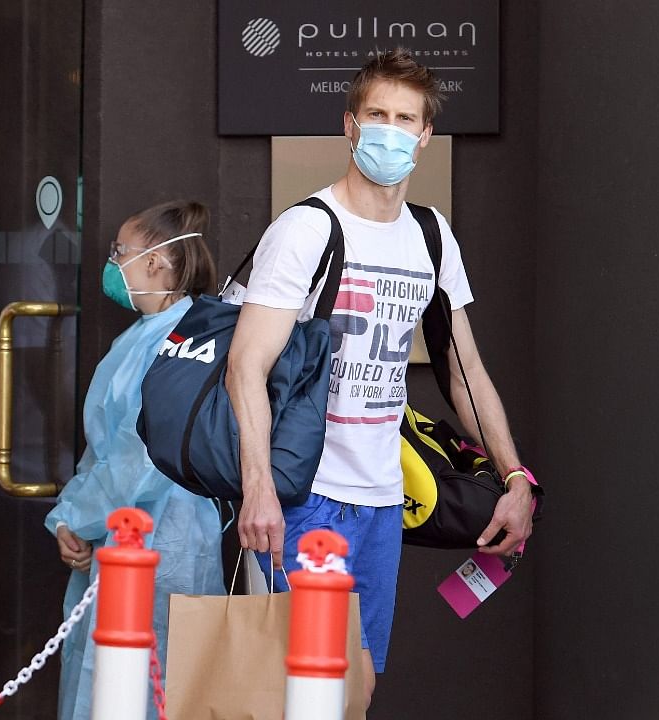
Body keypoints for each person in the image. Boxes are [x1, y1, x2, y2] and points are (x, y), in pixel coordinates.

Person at [227, 49, 536, 710]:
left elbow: (466, 371)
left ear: (425, 136)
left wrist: (515, 477)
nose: (390, 131)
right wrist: (259, 490)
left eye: (406, 119)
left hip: (382, 502)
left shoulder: (431, 237)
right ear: (350, 125)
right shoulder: (308, 230)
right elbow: (245, 365)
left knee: (355, 693)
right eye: (377, 115)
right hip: (305, 499)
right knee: (319, 692)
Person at [46, 200, 225, 720]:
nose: (112, 263)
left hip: (161, 538)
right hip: (123, 530)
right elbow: (106, 447)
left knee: (146, 684)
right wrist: (72, 519)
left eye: (119, 252)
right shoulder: (146, 336)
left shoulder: (183, 340)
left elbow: (143, 453)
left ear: (156, 263)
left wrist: (75, 517)